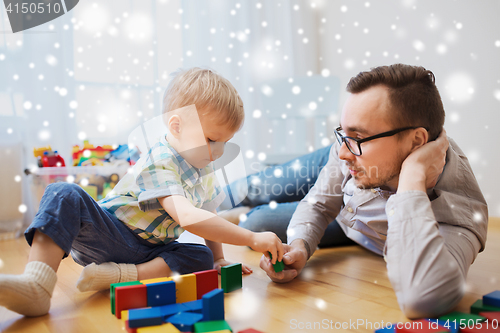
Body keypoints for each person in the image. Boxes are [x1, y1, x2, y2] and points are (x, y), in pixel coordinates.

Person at [0, 68, 284, 317]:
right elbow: (186, 216)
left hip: (149, 250)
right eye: (211, 139)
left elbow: (208, 213)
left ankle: (118, 276)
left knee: (201, 258)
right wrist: (251, 237)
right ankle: (37, 285)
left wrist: (219, 258)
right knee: (63, 192)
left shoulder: (204, 168)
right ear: (177, 125)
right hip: (112, 233)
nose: (219, 152)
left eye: (225, 142)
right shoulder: (160, 159)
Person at [228, 64, 488, 319]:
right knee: (254, 188)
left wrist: (413, 177)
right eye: (344, 132)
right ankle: (201, 199)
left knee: (256, 220)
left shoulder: (460, 211)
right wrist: (299, 245)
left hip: (351, 214)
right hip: (347, 174)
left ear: (416, 141)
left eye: (358, 136)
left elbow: (421, 299)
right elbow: (318, 204)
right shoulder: (344, 153)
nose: (342, 151)